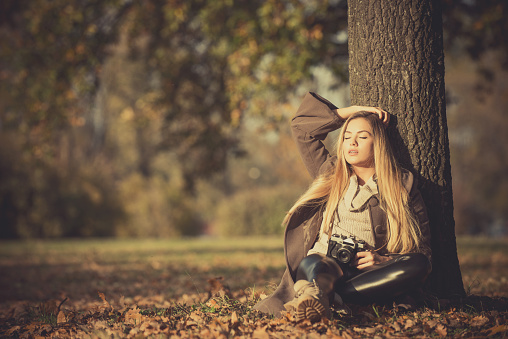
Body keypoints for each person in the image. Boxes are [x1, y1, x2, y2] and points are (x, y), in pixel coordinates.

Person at [253, 92, 432, 322]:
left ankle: (322, 298)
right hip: (324, 265)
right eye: (347, 137)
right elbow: (302, 129)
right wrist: (352, 110)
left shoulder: (401, 185)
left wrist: (384, 260)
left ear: (378, 143)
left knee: (418, 265)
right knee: (316, 264)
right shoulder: (330, 172)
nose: (352, 143)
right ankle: (322, 293)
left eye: (362, 136)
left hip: (369, 276)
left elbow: (424, 252)